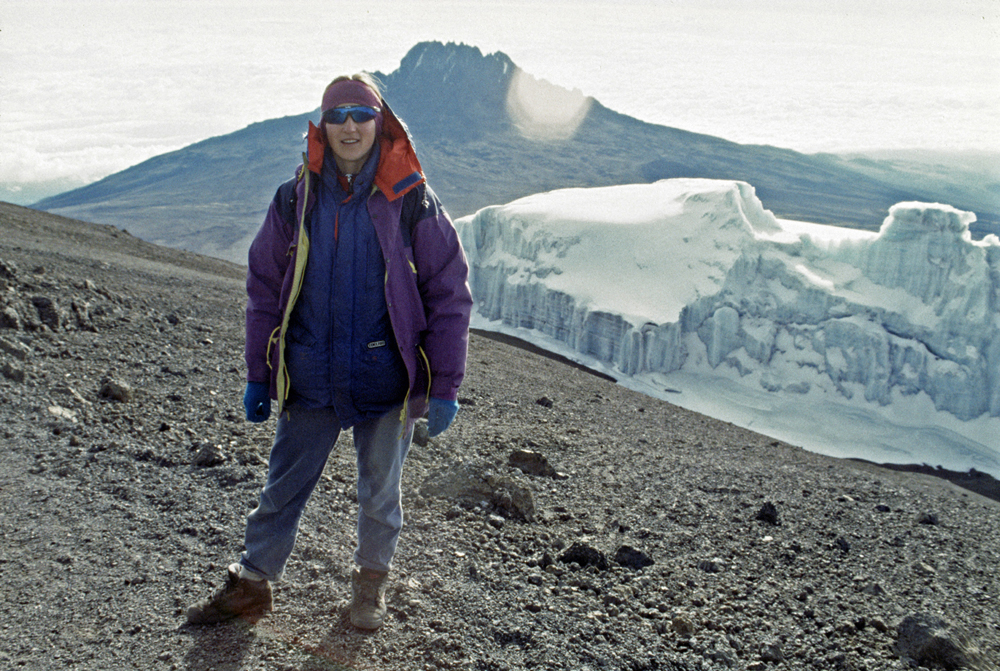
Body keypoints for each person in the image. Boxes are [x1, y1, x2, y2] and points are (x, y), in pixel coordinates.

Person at [186, 73, 473, 630]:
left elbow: (448, 292)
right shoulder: (296, 197)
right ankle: (251, 585)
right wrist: (258, 374)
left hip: (384, 376)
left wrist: (445, 385)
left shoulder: (410, 197)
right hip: (311, 373)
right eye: (337, 115)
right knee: (282, 487)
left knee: (380, 493)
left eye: (361, 115)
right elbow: (264, 288)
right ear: (322, 125)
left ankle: (370, 588)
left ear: (379, 123)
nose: (349, 126)